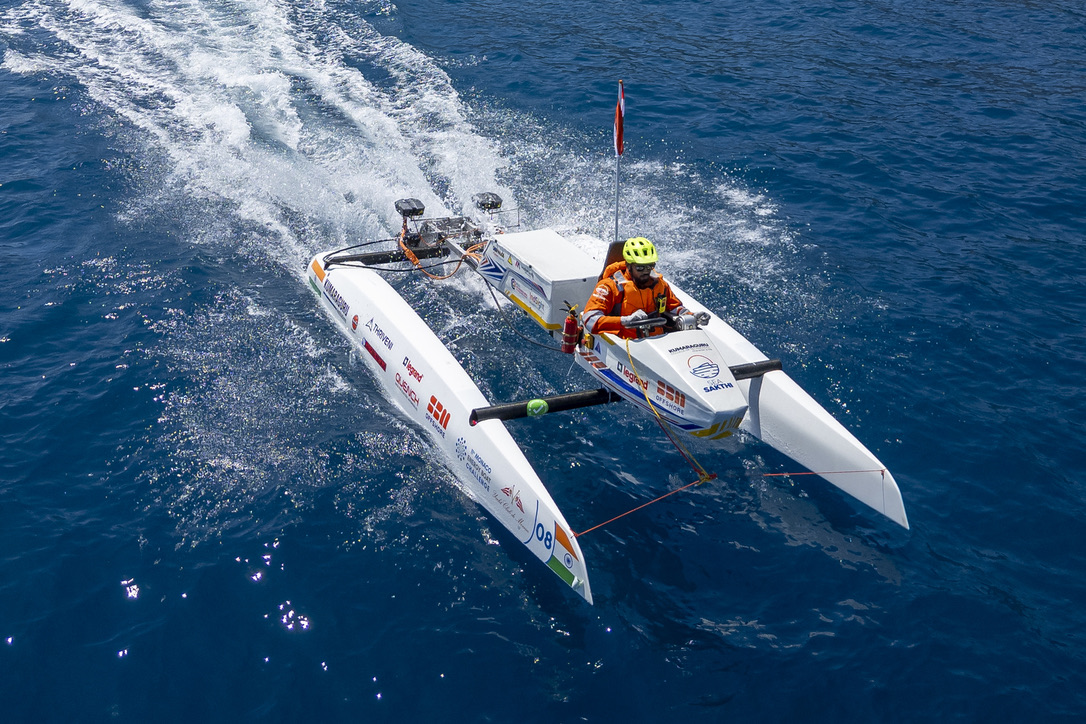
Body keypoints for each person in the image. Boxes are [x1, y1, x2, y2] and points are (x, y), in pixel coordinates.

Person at [581, 237, 708, 340]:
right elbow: (590, 319)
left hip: (660, 342)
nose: (646, 272)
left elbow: (674, 307)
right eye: (640, 268)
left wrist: (692, 315)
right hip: (627, 344)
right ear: (629, 265)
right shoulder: (610, 286)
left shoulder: (660, 285)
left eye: (649, 266)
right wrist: (625, 320)